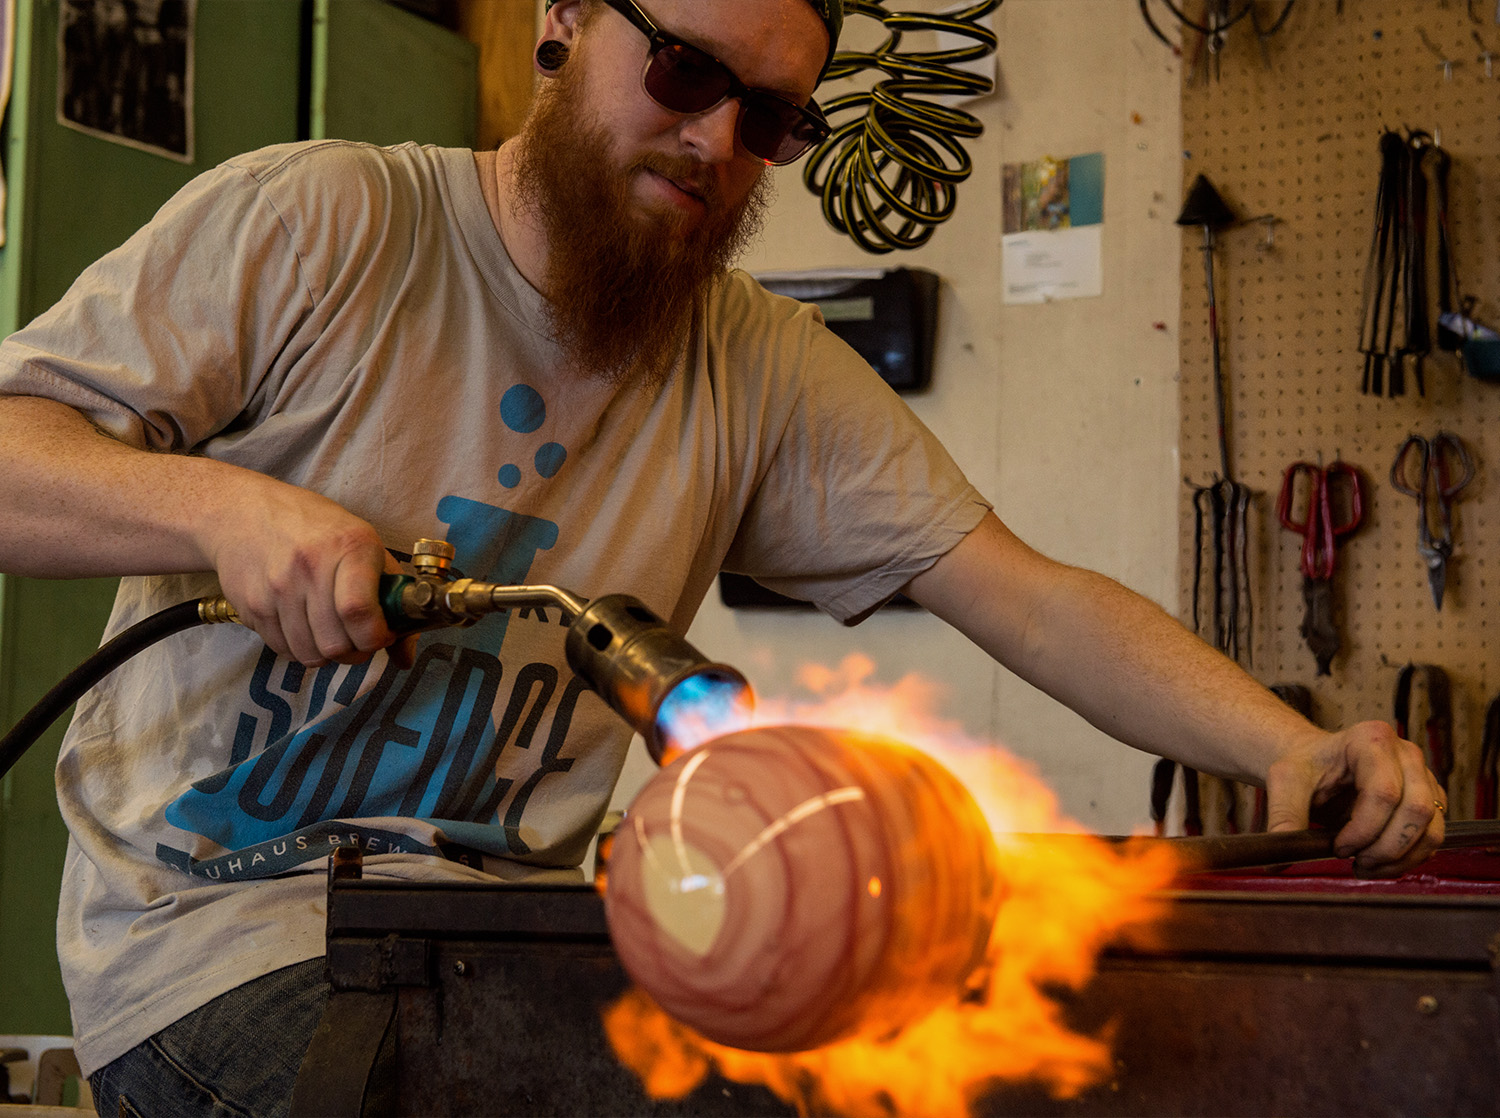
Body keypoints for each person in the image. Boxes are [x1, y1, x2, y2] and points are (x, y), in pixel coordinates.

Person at [0, 0, 1445, 1114]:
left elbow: (1026, 596)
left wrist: (1293, 748)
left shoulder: (755, 366)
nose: (716, 144)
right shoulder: (327, 221)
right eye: (687, 72)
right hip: (217, 940)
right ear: (567, 13)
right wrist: (222, 512)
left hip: (508, 948)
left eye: (770, 119)